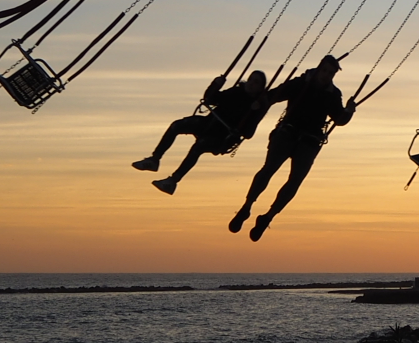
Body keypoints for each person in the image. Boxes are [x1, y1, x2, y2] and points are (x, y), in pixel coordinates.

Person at [230, 55, 354, 241]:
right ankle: (246, 207)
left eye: (331, 73)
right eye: (325, 71)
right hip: (287, 132)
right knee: (268, 169)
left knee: (295, 181)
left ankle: (267, 217)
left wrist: (349, 111)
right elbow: (275, 95)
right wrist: (257, 103)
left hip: (309, 141)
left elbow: (339, 119)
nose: (326, 75)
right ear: (319, 68)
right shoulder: (301, 83)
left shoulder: (333, 94)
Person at [134, 70, 272, 194]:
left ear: (260, 88)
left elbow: (248, 133)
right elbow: (211, 99)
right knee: (177, 126)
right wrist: (216, 85)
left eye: (256, 82)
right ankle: (154, 159)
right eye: (251, 79)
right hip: (209, 124)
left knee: (199, 146)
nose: (251, 84)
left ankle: (172, 181)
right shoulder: (235, 92)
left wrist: (255, 111)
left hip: (223, 136)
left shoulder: (257, 106)